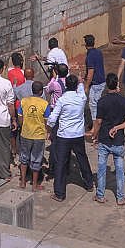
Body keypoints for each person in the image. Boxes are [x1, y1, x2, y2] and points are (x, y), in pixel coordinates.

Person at [87, 72, 125, 206]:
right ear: (117, 85)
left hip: (104, 140)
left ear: (107, 85)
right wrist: (118, 127)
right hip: (118, 140)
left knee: (101, 169)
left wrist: (94, 136)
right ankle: (120, 198)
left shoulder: (102, 102)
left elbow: (98, 122)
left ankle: (100, 195)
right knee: (120, 170)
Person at [45, 73, 94, 201]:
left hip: (64, 135)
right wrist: (80, 81)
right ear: (76, 86)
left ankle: (60, 193)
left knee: (61, 163)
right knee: (82, 158)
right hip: (78, 134)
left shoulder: (62, 100)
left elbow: (52, 119)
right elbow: (82, 90)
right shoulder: (81, 98)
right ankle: (89, 183)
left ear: (66, 85)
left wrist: (48, 129)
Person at [17, 80, 48, 191]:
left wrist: (22, 125)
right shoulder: (45, 104)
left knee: (24, 158)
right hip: (38, 136)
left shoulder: (24, 101)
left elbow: (20, 116)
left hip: (25, 134)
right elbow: (46, 120)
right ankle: (34, 185)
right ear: (41, 92)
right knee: (37, 159)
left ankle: (23, 182)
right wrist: (46, 131)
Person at [83, 35, 106, 122]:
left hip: (96, 84)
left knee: (93, 105)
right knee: (98, 103)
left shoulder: (90, 56)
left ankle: (95, 125)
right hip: (101, 81)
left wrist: (86, 86)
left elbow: (91, 72)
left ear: (86, 44)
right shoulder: (98, 52)